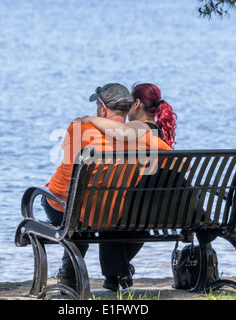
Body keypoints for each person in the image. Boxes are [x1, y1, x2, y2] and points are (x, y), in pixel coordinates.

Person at [42, 83, 173, 292]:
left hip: (71, 210)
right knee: (84, 205)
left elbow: (67, 160)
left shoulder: (78, 127)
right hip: (110, 214)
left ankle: (69, 275)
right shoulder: (142, 135)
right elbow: (178, 160)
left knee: (64, 204)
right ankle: (71, 273)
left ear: (103, 109)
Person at [77, 83, 181, 291]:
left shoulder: (140, 130)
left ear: (137, 103)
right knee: (117, 211)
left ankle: (119, 272)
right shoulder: (159, 134)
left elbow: (122, 131)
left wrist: (89, 120)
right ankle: (119, 272)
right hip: (155, 213)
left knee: (109, 209)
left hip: (133, 211)